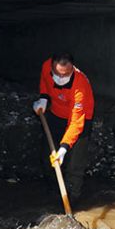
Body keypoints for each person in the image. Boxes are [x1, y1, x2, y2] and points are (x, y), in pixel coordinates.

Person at [33, 52, 94, 202]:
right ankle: (53, 189)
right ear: (52, 68)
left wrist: (64, 147)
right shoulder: (46, 66)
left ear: (72, 69)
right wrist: (44, 97)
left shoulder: (80, 85)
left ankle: (72, 199)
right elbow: (44, 82)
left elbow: (75, 122)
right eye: (57, 74)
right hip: (56, 113)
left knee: (75, 162)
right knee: (48, 154)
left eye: (65, 75)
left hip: (80, 118)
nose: (61, 78)